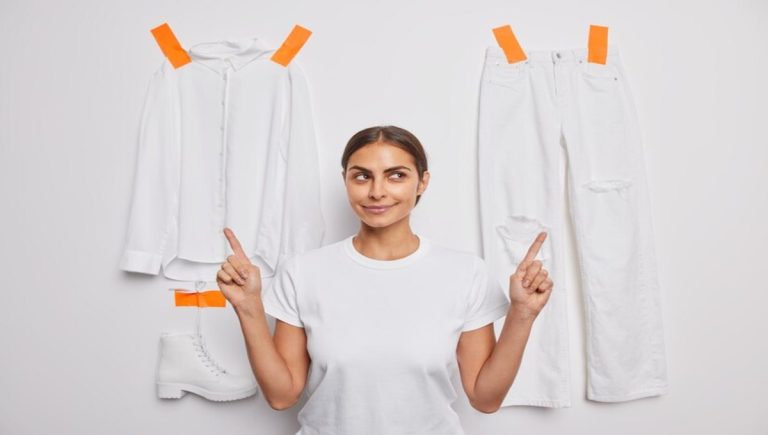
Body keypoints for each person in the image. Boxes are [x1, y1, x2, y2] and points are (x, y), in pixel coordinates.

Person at [216, 125, 553, 434]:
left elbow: (485, 398)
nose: (377, 191)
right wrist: (249, 307)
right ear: (345, 180)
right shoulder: (304, 272)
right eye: (362, 177)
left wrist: (522, 314)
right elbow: (281, 395)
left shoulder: (466, 273)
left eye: (396, 176)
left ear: (422, 182)